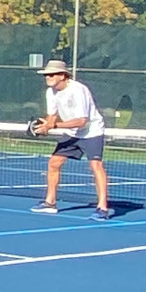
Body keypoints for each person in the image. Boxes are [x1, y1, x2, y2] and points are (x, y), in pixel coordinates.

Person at [30, 60, 111, 221]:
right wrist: (45, 126)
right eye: (46, 75)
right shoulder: (50, 92)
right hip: (71, 132)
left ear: (63, 75)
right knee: (54, 162)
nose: (48, 77)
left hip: (91, 131)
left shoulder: (78, 90)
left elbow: (82, 121)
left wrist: (54, 125)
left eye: (52, 74)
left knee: (95, 165)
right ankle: (50, 203)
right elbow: (51, 116)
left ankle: (102, 208)